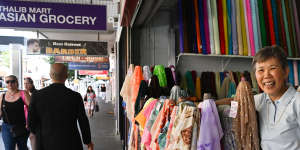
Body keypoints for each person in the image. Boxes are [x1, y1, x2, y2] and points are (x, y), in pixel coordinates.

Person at [216, 45, 300, 149]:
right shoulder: (259, 100)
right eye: (260, 70)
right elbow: (236, 103)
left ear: (286, 72)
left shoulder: (297, 101)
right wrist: (210, 105)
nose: (266, 75)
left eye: (272, 68)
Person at [28, 63, 94, 150]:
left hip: (45, 143)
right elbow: (83, 121)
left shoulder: (37, 95)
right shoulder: (75, 96)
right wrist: (88, 141)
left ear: (50, 75)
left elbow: (31, 122)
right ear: (66, 76)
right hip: (71, 142)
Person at [0, 75, 30, 150]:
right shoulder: (2, 96)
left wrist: (29, 123)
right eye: (7, 82)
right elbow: (0, 112)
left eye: (12, 81)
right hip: (6, 127)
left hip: (22, 127)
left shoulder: (23, 93)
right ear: (5, 84)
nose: (10, 84)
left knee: (22, 148)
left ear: (17, 82)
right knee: (9, 148)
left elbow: (32, 109)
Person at [23, 77, 37, 150]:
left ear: (31, 84)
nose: (25, 85)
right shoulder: (23, 93)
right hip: (24, 119)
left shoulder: (36, 93)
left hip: (32, 119)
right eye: (24, 83)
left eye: (27, 83)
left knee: (32, 137)